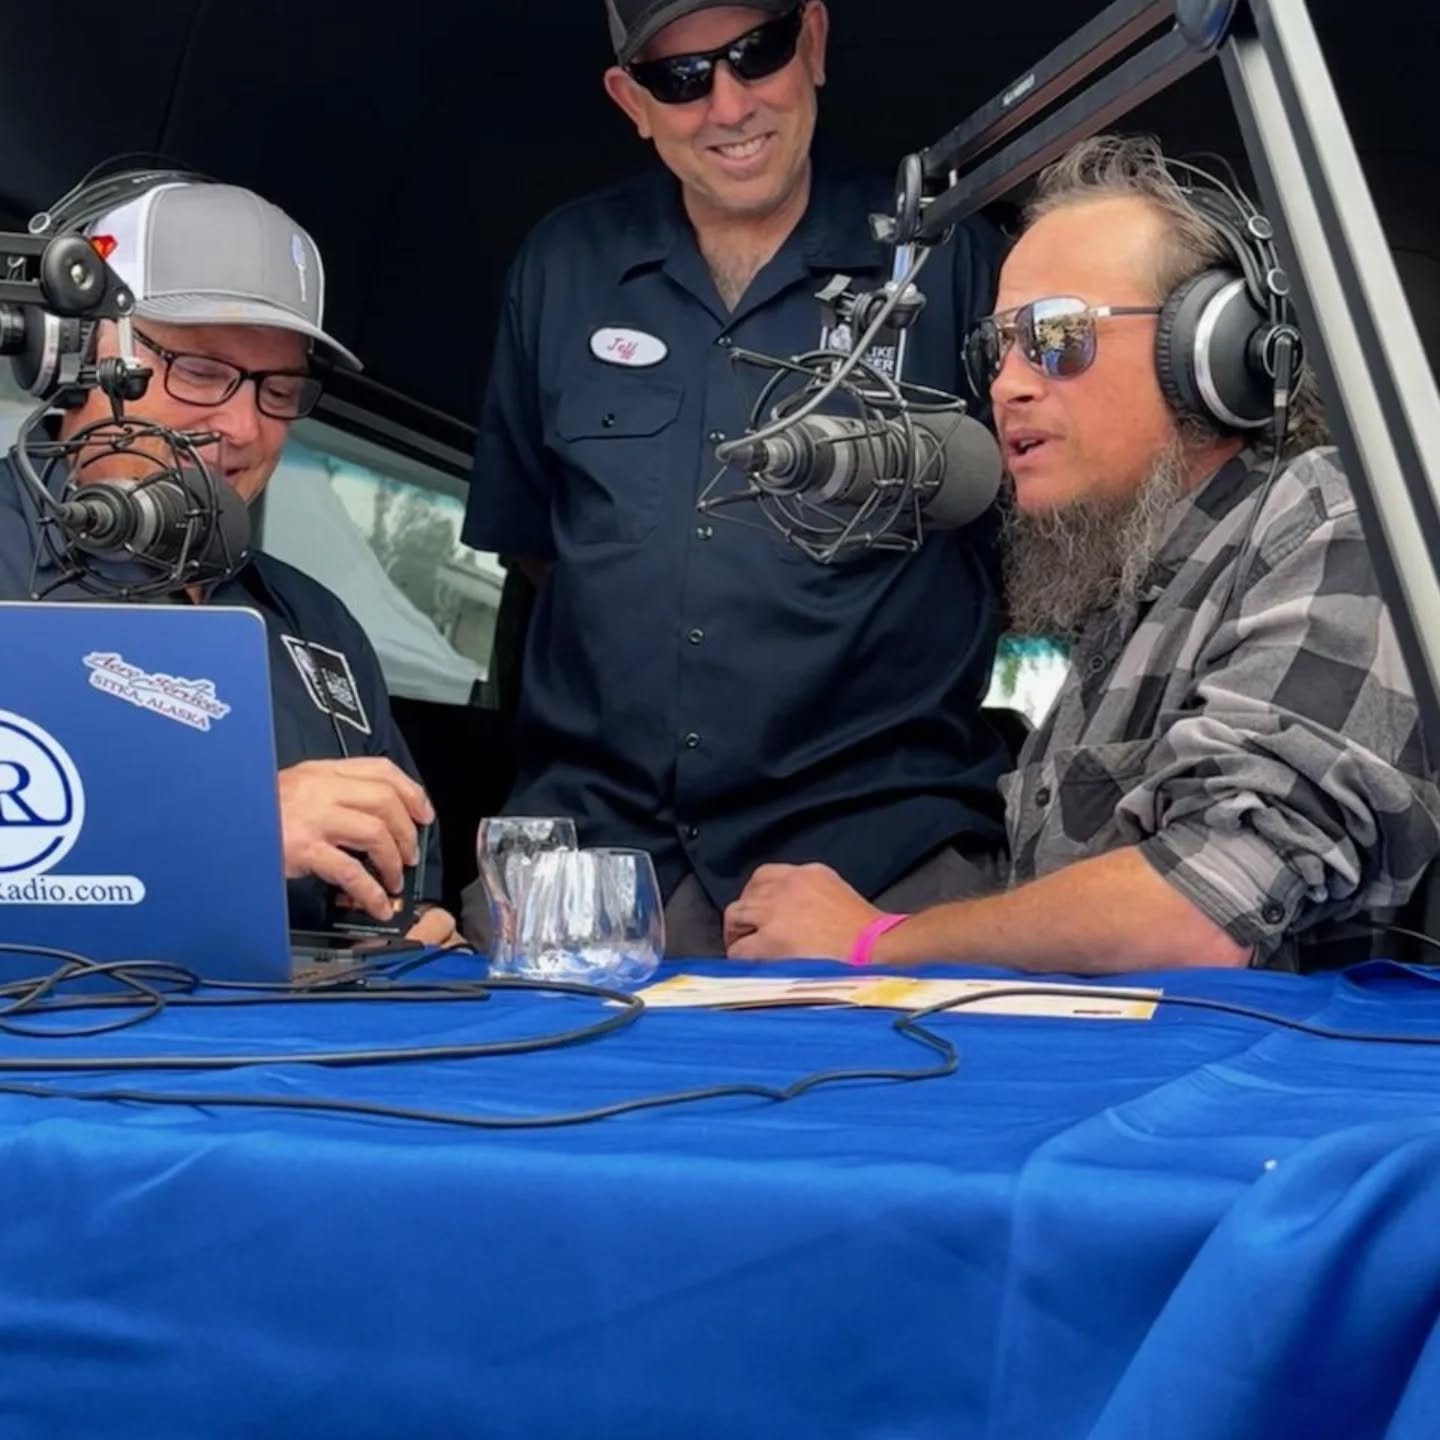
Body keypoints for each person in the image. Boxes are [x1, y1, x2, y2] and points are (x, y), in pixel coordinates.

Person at [723, 133, 1440, 972]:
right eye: (998, 347)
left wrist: (877, 940)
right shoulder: (1131, 597)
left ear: (1210, 352)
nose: (1006, 385)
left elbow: (1202, 909)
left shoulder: (1332, 521)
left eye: (1058, 336)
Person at [461, 0, 1010, 955]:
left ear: (817, 42)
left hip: (881, 854)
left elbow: (1037, 532)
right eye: (679, 78)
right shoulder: (562, 264)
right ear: (630, 101)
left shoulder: (949, 255)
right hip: (597, 853)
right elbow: (539, 548)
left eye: (756, 54)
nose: (727, 105)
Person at [0, 173, 459, 946]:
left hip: (297, 1061)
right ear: (71, 353)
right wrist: (232, 829)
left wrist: (404, 938)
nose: (243, 426)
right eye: (202, 371)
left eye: (278, 389)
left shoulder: (323, 627)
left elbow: (404, 889)